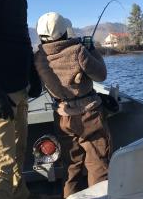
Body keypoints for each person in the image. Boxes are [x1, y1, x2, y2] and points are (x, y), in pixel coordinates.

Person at [35, 12, 112, 198]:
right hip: (89, 116)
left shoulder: (38, 58)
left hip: (62, 117)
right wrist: (91, 49)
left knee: (71, 166)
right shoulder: (78, 50)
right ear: (64, 32)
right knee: (98, 165)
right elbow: (101, 75)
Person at [0, 0, 42, 198]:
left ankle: (20, 195)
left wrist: (33, 72)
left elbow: (22, 34)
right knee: (1, 161)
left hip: (20, 88)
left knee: (19, 154)